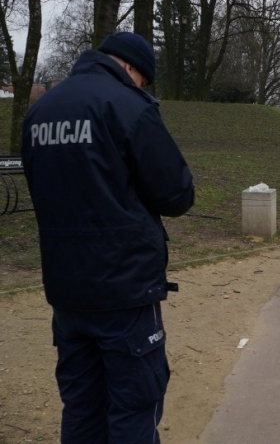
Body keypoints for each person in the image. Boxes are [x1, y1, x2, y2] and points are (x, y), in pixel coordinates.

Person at [21, 31, 195, 442]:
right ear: (131, 68)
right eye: (143, 82)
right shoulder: (127, 106)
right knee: (134, 405)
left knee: (81, 406)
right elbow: (177, 193)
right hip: (124, 290)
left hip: (66, 289)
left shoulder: (39, 112)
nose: (142, 89)